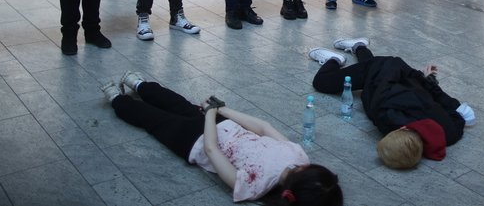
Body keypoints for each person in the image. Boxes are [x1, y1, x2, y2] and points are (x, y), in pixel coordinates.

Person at [101, 72, 343, 205]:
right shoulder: (297, 155)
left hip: (193, 141)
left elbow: (211, 151)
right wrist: (221, 110)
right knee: (174, 103)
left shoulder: (254, 187)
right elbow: (262, 127)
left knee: (152, 119)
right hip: (220, 123)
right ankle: (140, 84)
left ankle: (118, 98)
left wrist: (210, 114)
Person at [308, 38, 474, 169]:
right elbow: (376, 84)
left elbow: (455, 112)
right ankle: (335, 59)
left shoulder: (448, 134)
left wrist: (427, 80)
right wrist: (422, 77)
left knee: (369, 68)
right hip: (390, 70)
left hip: (408, 81)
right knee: (321, 83)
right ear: (401, 129)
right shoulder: (386, 114)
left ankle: (356, 48)